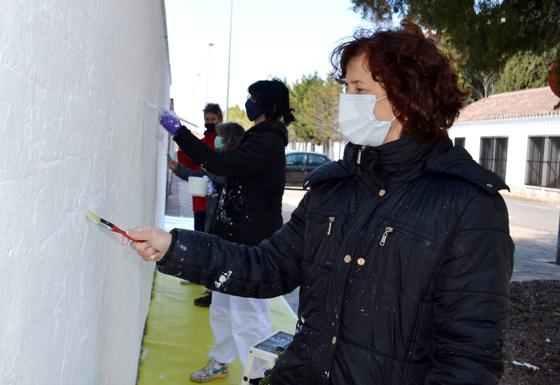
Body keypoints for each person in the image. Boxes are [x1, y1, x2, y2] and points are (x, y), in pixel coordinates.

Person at [129, 22, 514, 385]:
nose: (348, 101)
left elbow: (468, 358)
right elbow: (267, 267)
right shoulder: (335, 188)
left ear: (408, 96)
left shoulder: (468, 205)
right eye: (346, 88)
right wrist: (174, 247)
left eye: (360, 90)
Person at [159, 79, 294, 384]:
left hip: (251, 245)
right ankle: (221, 360)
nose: (249, 102)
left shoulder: (268, 141)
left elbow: (220, 162)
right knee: (222, 305)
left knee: (247, 313)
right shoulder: (257, 136)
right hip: (232, 237)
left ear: (271, 106)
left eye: (254, 98)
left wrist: (179, 132)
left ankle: (260, 375)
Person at [175, 103, 222, 306]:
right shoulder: (203, 141)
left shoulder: (217, 143)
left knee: (207, 240)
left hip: (211, 202)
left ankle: (206, 280)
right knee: (200, 235)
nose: (209, 122)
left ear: (219, 119)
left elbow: (200, 168)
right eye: (207, 119)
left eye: (213, 119)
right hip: (200, 199)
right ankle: (200, 276)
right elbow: (191, 163)